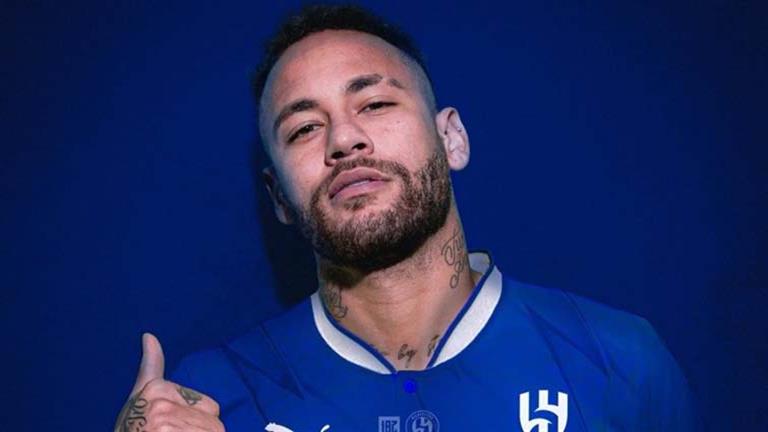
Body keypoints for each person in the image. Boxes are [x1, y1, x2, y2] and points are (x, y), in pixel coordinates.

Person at [114, 5, 696, 432]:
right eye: (304, 128)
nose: (344, 139)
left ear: (452, 138)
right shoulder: (208, 398)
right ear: (279, 198)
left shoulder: (617, 359)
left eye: (374, 104)